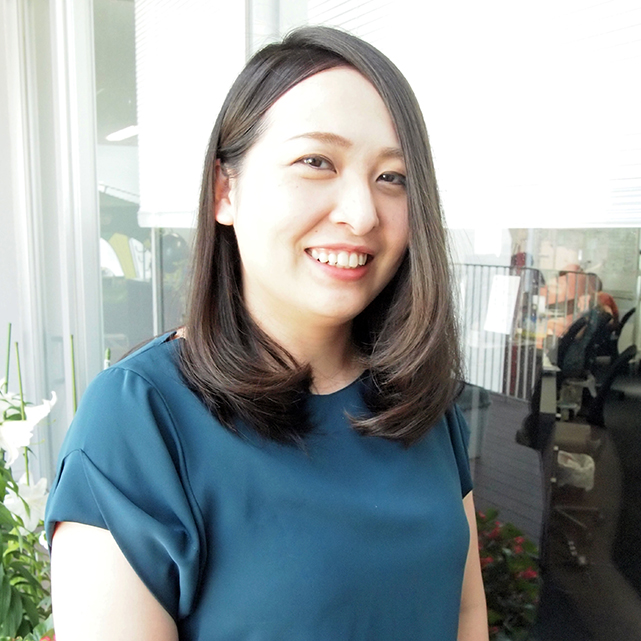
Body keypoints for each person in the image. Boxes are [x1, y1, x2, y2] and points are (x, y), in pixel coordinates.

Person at [45, 26, 488, 641]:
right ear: (225, 191)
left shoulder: (419, 400)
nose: (362, 214)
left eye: (393, 177)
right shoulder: (140, 419)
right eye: (317, 162)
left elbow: (464, 613)